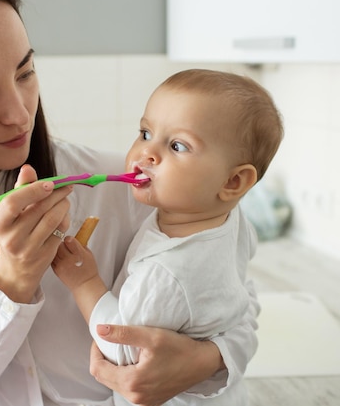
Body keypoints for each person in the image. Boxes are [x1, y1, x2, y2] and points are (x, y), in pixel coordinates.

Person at [0, 0, 261, 405]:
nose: (20, 114)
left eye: (25, 73)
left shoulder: (138, 191)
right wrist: (10, 283)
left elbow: (234, 300)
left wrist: (208, 360)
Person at [52, 69, 283, 406]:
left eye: (177, 145)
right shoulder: (230, 219)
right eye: (145, 133)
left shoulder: (167, 273)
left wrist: (84, 282)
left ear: (233, 182)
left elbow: (124, 349)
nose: (146, 153)